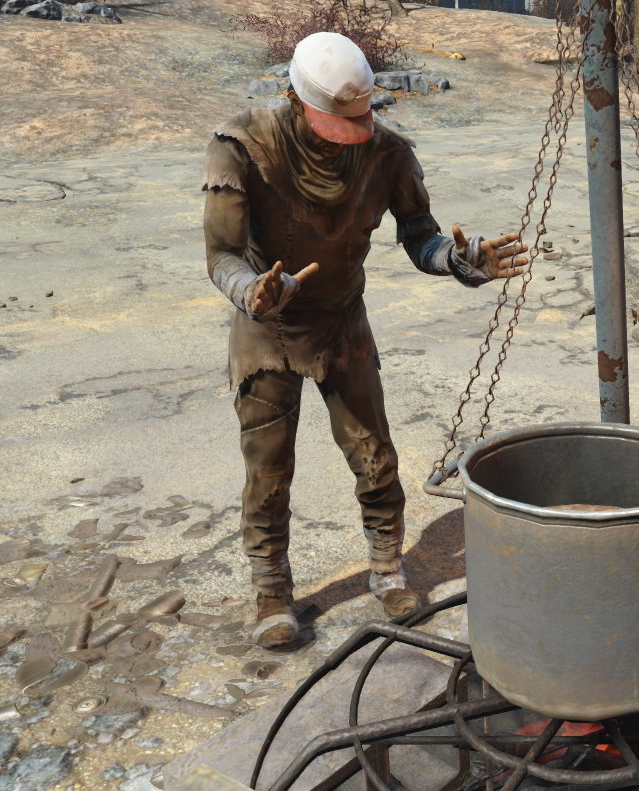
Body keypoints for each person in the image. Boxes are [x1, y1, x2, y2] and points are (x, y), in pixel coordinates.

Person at [201, 32, 527, 649]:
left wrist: (459, 260)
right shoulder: (241, 147)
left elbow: (421, 237)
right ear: (295, 101)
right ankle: (271, 589)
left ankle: (387, 567)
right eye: (331, 128)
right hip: (267, 328)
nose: (342, 142)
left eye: (355, 125)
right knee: (268, 467)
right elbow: (222, 255)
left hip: (342, 322)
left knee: (374, 455)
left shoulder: (387, 153)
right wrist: (252, 291)